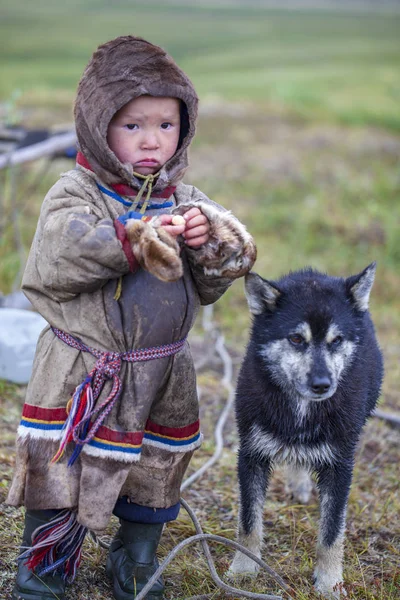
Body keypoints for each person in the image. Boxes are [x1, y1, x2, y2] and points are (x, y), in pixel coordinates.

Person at [7, 36, 256, 600]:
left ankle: (136, 553)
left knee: (154, 463)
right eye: (133, 125)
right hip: (81, 367)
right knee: (60, 464)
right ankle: (45, 559)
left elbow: (212, 283)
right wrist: (135, 238)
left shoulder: (185, 198)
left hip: (161, 370)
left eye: (166, 126)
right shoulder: (76, 192)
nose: (151, 141)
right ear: (98, 126)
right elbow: (58, 256)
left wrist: (208, 243)